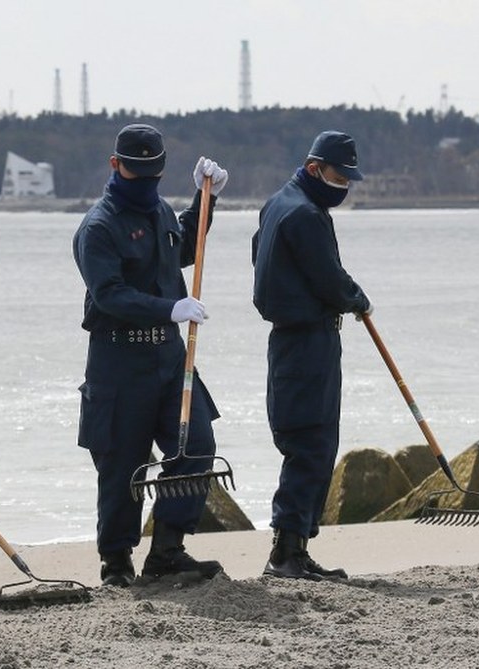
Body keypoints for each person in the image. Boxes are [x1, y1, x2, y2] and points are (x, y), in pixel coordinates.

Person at [72, 123, 229, 587]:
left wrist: (205, 201)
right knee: (122, 462)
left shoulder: (159, 211)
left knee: (195, 444)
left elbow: (182, 247)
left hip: (169, 357)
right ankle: (116, 561)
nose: (145, 181)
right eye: (136, 172)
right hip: (119, 360)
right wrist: (169, 308)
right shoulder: (98, 227)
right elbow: (109, 294)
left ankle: (167, 551)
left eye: (153, 174)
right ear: (115, 164)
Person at [251, 130, 372, 581]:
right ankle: (285, 554)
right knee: (311, 444)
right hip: (306, 340)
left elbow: (262, 257)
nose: (343, 186)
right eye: (338, 177)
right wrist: (356, 298)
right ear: (313, 167)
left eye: (348, 179)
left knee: (308, 442)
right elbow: (328, 277)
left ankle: (296, 549)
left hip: (292, 340)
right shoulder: (304, 213)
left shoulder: (278, 203)